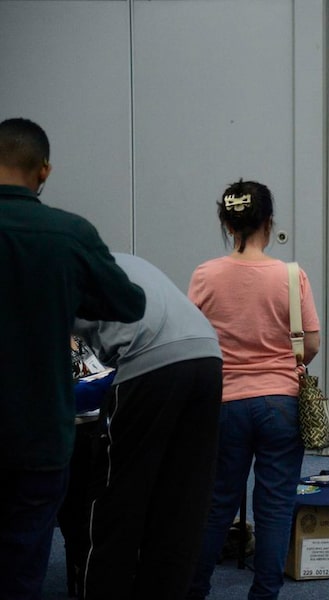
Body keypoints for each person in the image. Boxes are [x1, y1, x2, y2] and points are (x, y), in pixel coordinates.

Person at [0, 117, 146, 599]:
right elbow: (129, 304)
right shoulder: (69, 233)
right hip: (38, 433)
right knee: (23, 562)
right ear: (44, 170)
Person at [186, 179, 321, 600]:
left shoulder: (205, 275)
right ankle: (264, 594)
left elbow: (191, 339)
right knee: (275, 506)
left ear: (227, 225)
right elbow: (311, 343)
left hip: (225, 403)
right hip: (281, 402)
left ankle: (193, 590)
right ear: (269, 222)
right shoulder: (292, 276)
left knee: (216, 504)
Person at [74, 253, 223, 600]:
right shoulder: (118, 259)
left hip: (149, 359)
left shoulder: (48, 269)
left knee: (116, 498)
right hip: (207, 358)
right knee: (180, 503)